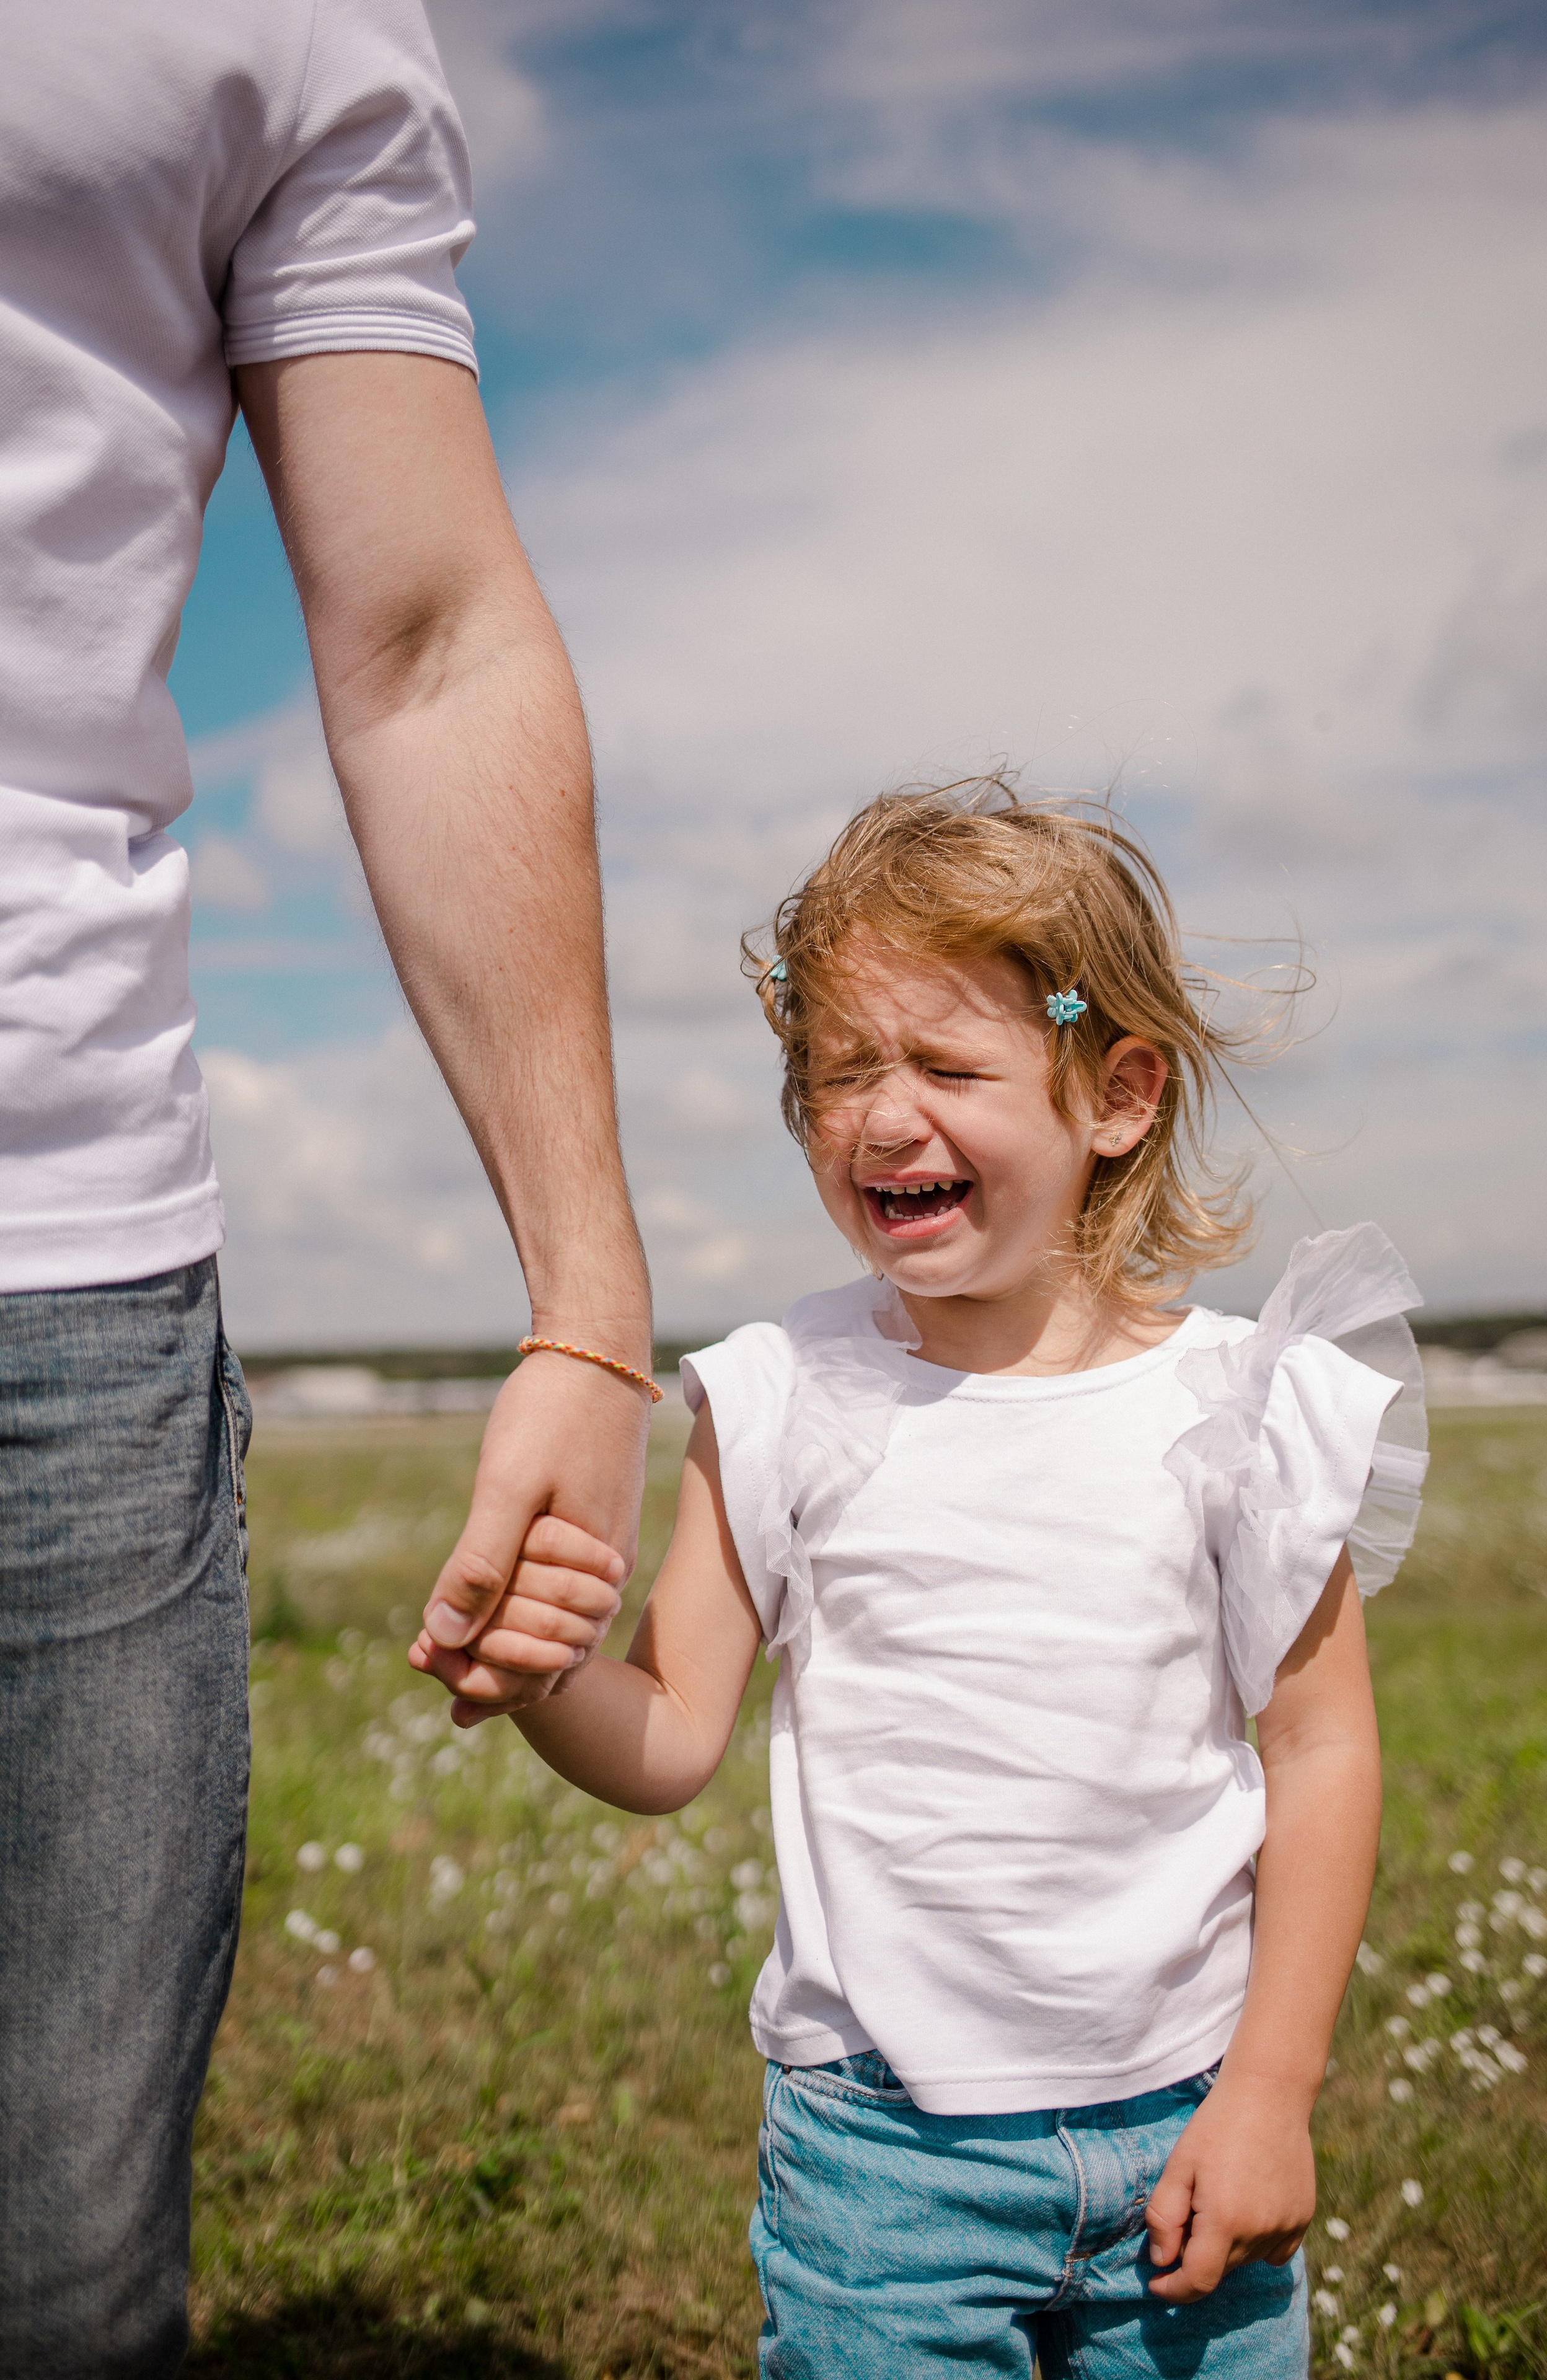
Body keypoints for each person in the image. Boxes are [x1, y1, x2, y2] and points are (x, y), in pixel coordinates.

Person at [415, 781, 1430, 2378]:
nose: (886, 1118)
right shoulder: (779, 1398)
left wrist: (1274, 2093)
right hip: (884, 2166)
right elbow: (676, 1732)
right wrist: (547, 1672)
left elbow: (1322, 1754)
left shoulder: (1243, 1406)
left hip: (1191, 2107)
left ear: (1119, 1095)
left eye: (951, 1068)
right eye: (839, 1074)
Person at [0, 4, 650, 2371]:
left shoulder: (293, 23)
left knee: (59, 2275)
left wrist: (590, 1303)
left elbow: (425, 631)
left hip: (57, 1265)